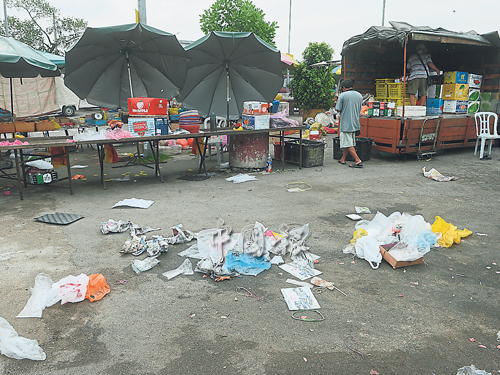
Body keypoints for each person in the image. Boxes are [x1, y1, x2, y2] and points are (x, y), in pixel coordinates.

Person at [335, 78, 363, 168]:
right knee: (348, 142)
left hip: (346, 123)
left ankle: (357, 160)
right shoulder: (359, 95)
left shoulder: (343, 95)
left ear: (343, 87)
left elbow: (338, 108)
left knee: (348, 143)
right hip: (355, 122)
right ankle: (343, 159)